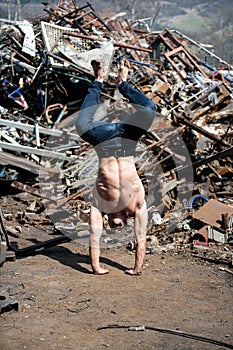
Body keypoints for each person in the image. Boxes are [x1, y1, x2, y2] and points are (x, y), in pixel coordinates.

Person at [76, 59, 157, 275]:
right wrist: (137, 268)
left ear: (109, 219)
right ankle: (124, 83)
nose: (115, 225)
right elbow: (141, 237)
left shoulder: (100, 204)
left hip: (103, 140)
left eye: (111, 226)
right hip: (127, 138)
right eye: (118, 226)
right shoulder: (137, 206)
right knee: (150, 109)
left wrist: (95, 267)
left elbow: (94, 235)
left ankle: (99, 81)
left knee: (81, 125)